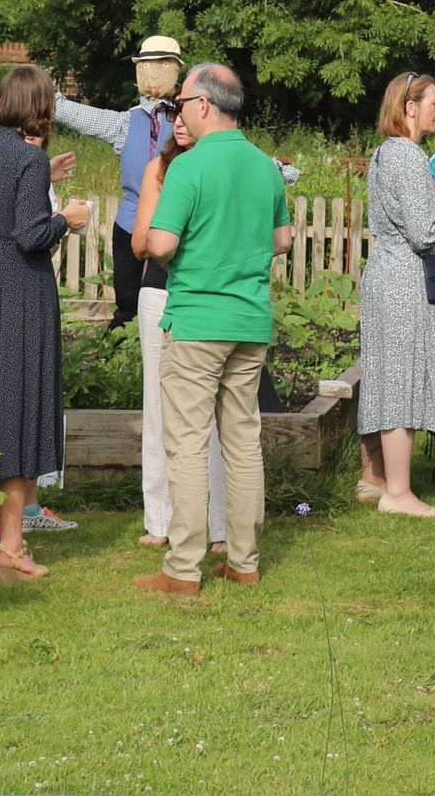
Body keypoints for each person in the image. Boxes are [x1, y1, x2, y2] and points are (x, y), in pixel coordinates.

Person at [135, 63, 292, 598]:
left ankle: (182, 569)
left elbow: (159, 245)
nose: (177, 113)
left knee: (187, 446)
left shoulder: (190, 167)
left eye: (180, 103)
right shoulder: (265, 166)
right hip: (250, 321)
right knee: (243, 443)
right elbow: (284, 240)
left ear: (203, 105)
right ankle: (244, 561)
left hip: (198, 321)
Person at [0, 65, 92, 583]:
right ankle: (10, 545)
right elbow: (30, 235)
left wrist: (39, 179)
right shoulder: (30, 157)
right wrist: (67, 220)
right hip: (18, 291)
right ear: (38, 108)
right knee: (18, 404)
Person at [131, 101, 228, 557]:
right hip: (161, 293)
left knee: (212, 412)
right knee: (159, 404)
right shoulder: (159, 168)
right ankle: (161, 517)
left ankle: (218, 524)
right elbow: (139, 242)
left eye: (187, 112)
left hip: (208, 297)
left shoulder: (222, 165)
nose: (181, 122)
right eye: (174, 115)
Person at [357, 72, 435, 518]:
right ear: (410, 107)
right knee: (400, 380)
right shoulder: (409, 157)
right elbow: (424, 233)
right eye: (433, 102)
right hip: (404, 279)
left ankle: (375, 480)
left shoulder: (384, 153)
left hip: (385, 273)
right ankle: (398, 492)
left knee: (386, 376)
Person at [51, 36, 188, 330]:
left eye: (161, 65)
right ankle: (120, 357)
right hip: (130, 224)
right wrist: (44, 91)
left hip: (177, 224)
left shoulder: (187, 118)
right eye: (146, 65)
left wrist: (275, 169)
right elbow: (74, 113)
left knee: (171, 299)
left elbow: (223, 147)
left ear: (175, 70)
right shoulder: (125, 122)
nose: (152, 73)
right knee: (128, 304)